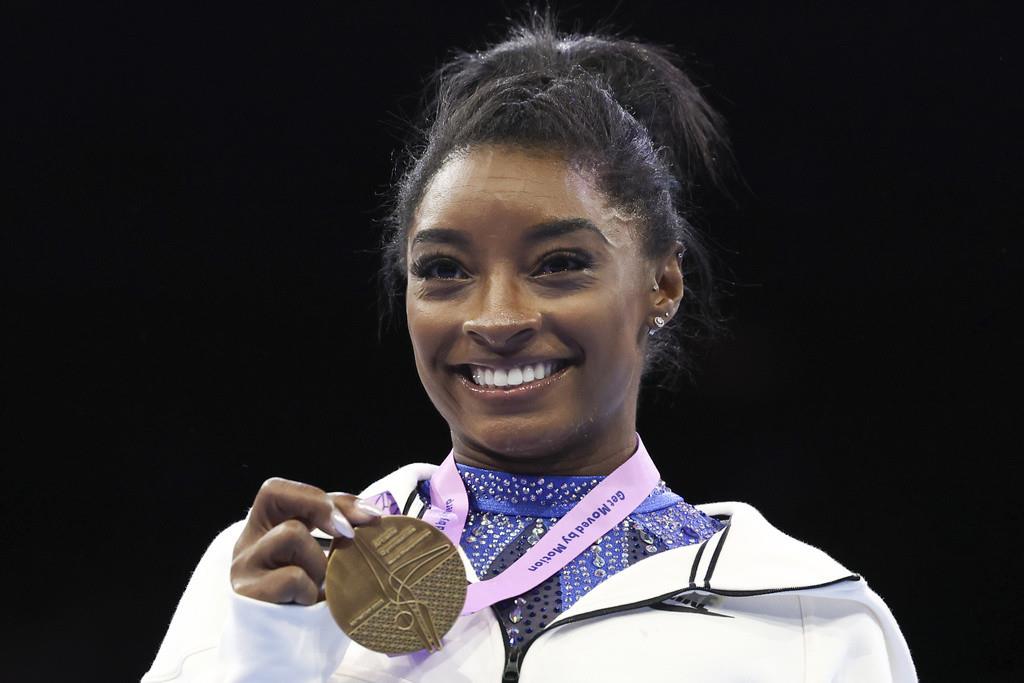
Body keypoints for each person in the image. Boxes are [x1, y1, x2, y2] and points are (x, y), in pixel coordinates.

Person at [143, 14, 917, 683]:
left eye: (559, 264)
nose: (498, 316)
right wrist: (263, 652)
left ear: (663, 283)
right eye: (444, 270)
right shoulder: (267, 581)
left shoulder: (811, 622)